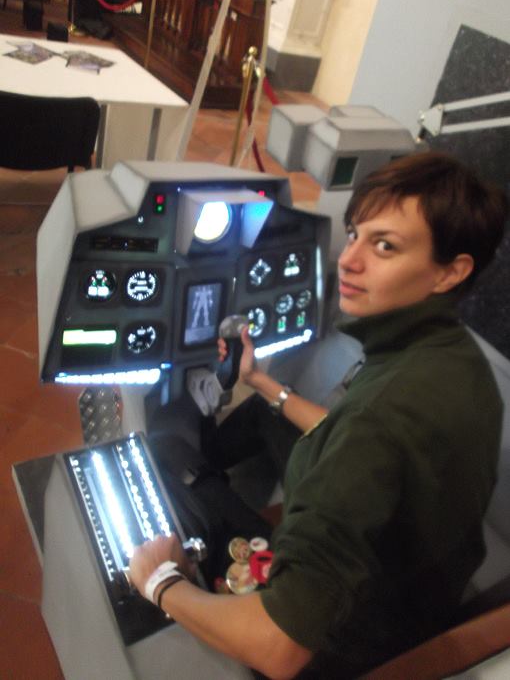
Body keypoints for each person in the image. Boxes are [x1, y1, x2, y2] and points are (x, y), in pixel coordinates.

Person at [130, 151, 508, 679]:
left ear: (451, 271)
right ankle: (212, 467)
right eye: (354, 235)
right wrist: (259, 381)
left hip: (353, 632)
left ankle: (202, 488)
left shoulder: (377, 422)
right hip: (423, 586)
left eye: (385, 246)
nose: (348, 260)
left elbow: (279, 650)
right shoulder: (455, 360)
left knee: (171, 454)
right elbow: (354, 434)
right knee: (265, 413)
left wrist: (160, 583)